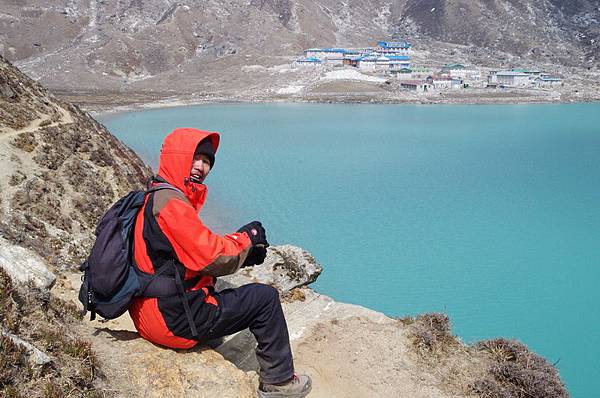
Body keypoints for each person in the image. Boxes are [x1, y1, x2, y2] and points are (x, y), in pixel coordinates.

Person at [128, 127, 311, 397]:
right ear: (178, 157)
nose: (201, 167)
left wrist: (245, 254)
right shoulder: (173, 205)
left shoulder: (155, 195)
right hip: (172, 322)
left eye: (207, 162)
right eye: (196, 158)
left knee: (220, 288)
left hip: (149, 314)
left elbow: (185, 252)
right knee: (264, 298)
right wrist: (247, 238)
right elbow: (213, 256)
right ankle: (279, 382)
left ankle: (210, 334)